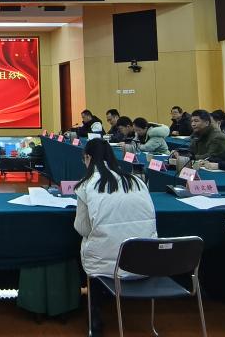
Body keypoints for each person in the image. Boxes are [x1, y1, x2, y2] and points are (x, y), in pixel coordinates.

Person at [73, 138, 157, 337]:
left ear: (88, 158)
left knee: (89, 245)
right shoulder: (137, 181)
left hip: (105, 266)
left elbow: (83, 228)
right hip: (145, 262)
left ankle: (95, 317)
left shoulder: (86, 185)